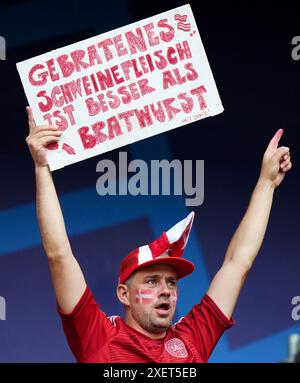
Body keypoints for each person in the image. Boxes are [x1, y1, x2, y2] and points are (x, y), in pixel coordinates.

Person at [25, 106, 292, 362]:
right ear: (123, 294)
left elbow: (238, 263)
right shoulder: (98, 336)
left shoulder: (192, 340)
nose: (165, 291)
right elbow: (59, 255)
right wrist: (41, 167)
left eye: (171, 282)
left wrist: (266, 183)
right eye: (152, 281)